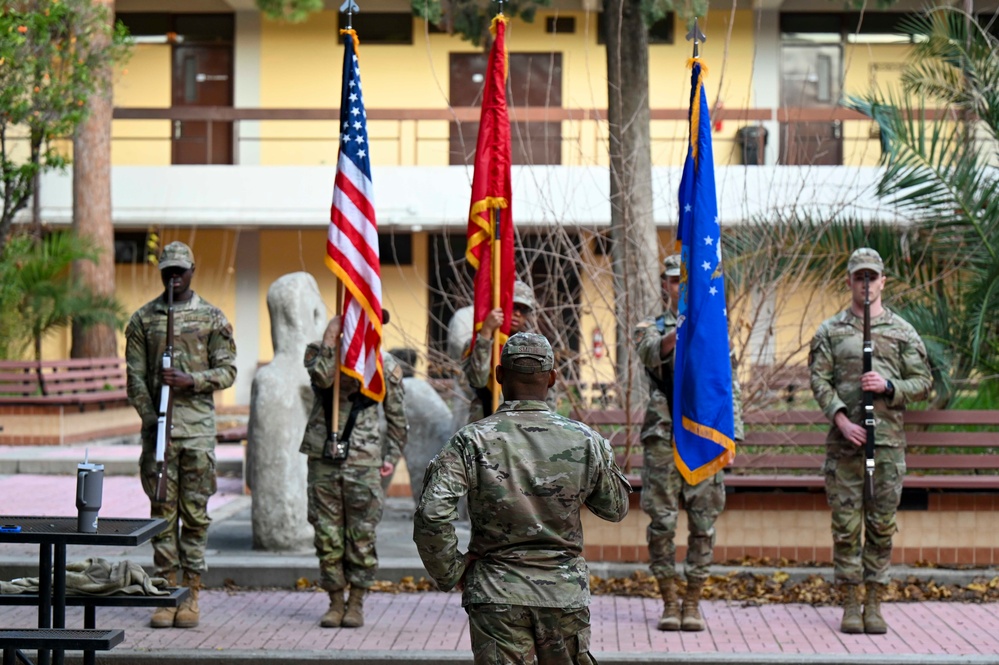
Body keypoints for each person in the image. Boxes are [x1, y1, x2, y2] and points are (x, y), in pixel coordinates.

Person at [415, 332, 632, 665]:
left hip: (495, 594)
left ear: (499, 376)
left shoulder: (470, 441)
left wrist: (452, 571)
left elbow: (432, 515)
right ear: (553, 379)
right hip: (563, 595)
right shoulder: (587, 441)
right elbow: (615, 509)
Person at [809, 247, 932, 635]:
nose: (866, 284)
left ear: (882, 282)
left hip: (888, 446)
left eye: (872, 277)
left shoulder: (902, 331)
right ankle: (849, 601)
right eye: (859, 277)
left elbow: (924, 383)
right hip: (846, 445)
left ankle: (875, 602)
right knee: (846, 527)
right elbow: (819, 380)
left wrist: (889, 385)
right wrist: (841, 419)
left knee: (880, 525)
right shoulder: (830, 331)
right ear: (849, 281)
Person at [125, 241, 237, 629]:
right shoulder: (144, 320)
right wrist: (151, 417)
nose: (174, 278)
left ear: (192, 271)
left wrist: (192, 380)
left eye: (180, 271)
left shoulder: (211, 317)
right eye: (167, 272)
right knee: (161, 515)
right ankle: (164, 594)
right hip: (160, 436)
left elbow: (228, 371)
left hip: (197, 435)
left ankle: (190, 595)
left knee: (194, 517)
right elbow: (135, 378)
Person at [633, 253, 743, 632]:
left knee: (703, 524)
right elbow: (650, 353)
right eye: (673, 280)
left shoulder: (715, 330)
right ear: (665, 285)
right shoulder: (650, 326)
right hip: (663, 438)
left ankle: (692, 601)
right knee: (662, 523)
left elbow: (729, 388)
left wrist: (731, 437)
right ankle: (668, 600)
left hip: (704, 438)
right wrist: (680, 328)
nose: (679, 285)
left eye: (685, 280)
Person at [300, 311, 408, 628]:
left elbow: (399, 417)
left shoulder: (384, 365)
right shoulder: (318, 351)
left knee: (361, 536)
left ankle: (357, 602)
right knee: (326, 534)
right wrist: (331, 337)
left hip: (364, 460)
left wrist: (392, 454)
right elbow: (320, 378)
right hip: (324, 456)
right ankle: (335, 601)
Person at [462, 279, 539, 422]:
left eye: (524, 310)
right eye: (514, 306)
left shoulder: (535, 347)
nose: (517, 314)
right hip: (484, 425)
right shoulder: (476, 343)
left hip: (522, 425)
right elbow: (478, 380)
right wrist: (485, 334)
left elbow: (548, 395)